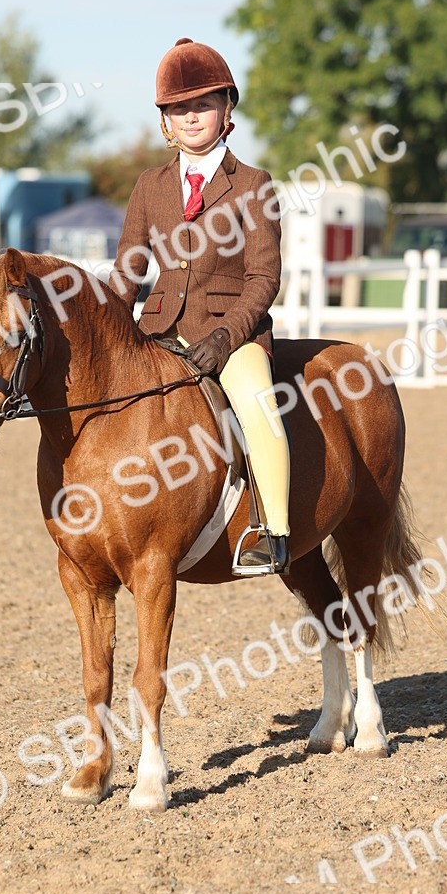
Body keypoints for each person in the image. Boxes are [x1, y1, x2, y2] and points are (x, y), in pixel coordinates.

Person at [110, 37, 290, 574]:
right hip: (159, 329)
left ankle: (273, 530)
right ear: (166, 118)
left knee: (258, 405)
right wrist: (110, 330)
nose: (191, 117)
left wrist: (228, 337)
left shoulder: (253, 185)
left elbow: (264, 276)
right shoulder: (149, 186)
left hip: (229, 333)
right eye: (180, 108)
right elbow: (128, 271)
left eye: (203, 104)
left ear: (226, 108)